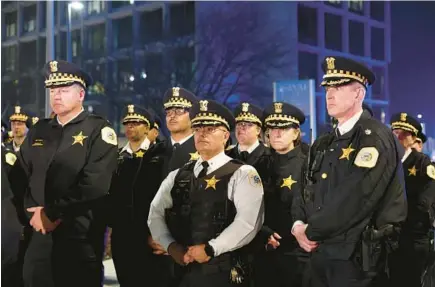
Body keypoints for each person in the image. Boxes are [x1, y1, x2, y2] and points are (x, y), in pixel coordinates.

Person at [292, 56, 407, 287]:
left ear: (359, 94)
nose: (330, 94)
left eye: (338, 87)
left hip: (356, 261)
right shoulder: (324, 142)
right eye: (327, 88)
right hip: (320, 253)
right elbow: (302, 188)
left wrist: (311, 230)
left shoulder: (374, 137)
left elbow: (356, 197)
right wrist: (296, 225)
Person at [9, 60, 118, 287]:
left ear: (81, 95)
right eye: (53, 90)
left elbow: (95, 184)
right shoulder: (39, 130)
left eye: (64, 90)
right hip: (38, 235)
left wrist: (52, 213)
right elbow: (19, 176)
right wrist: (32, 215)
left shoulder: (98, 130)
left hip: (78, 239)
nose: (56, 96)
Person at [148, 99, 264, 287]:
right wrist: (170, 246)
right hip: (181, 270)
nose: (202, 134)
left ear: (226, 135)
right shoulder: (178, 175)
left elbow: (249, 223)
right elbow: (155, 213)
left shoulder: (242, 173)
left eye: (210, 129)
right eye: (198, 128)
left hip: (223, 271)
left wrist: (211, 249)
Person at [108, 105, 167, 287]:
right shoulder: (118, 157)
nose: (131, 126)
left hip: (148, 232)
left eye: (137, 123)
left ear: (148, 128)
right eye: (127, 123)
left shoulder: (159, 156)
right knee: (125, 278)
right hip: (121, 232)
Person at [253, 102, 308, 287]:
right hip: (265, 248)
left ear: (296, 132)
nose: (276, 133)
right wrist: (262, 232)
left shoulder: (310, 162)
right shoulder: (258, 164)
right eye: (272, 128)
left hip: (300, 252)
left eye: (283, 128)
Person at [389, 113, 435, 287]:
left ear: (413, 139)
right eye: (395, 131)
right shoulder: (387, 161)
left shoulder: (422, 163)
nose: (398, 136)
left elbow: (425, 201)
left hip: (412, 236)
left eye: (403, 133)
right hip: (390, 237)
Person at [162, 87, 199, 174]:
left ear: (193, 116)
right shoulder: (155, 151)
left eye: (179, 111)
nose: (172, 116)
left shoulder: (204, 151)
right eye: (169, 112)